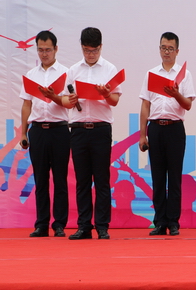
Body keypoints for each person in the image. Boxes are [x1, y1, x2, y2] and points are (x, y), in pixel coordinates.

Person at [63, 27, 121, 240]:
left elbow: (115, 101)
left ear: (101, 47)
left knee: (102, 179)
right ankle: (84, 226)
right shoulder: (73, 70)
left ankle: (102, 226)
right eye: (87, 50)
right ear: (81, 47)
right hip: (78, 129)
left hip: (100, 129)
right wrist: (71, 99)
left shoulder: (109, 69)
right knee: (82, 180)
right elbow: (65, 100)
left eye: (94, 50)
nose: (90, 54)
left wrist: (105, 94)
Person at [138, 32, 196, 236]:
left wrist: (176, 94)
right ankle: (160, 222)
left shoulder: (184, 75)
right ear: (159, 49)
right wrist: (143, 135)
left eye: (171, 48)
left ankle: (173, 222)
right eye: (163, 48)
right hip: (155, 128)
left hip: (175, 129)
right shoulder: (151, 74)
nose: (167, 52)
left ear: (177, 51)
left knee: (174, 178)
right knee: (158, 177)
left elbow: (188, 104)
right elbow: (145, 105)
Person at [18, 30, 71, 237]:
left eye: (48, 50)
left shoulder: (66, 73)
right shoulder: (31, 75)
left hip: (59, 130)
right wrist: (24, 133)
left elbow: (69, 103)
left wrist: (54, 96)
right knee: (40, 179)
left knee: (60, 179)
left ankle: (59, 224)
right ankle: (41, 224)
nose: (44, 54)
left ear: (56, 49)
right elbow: (26, 105)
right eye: (40, 50)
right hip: (38, 130)